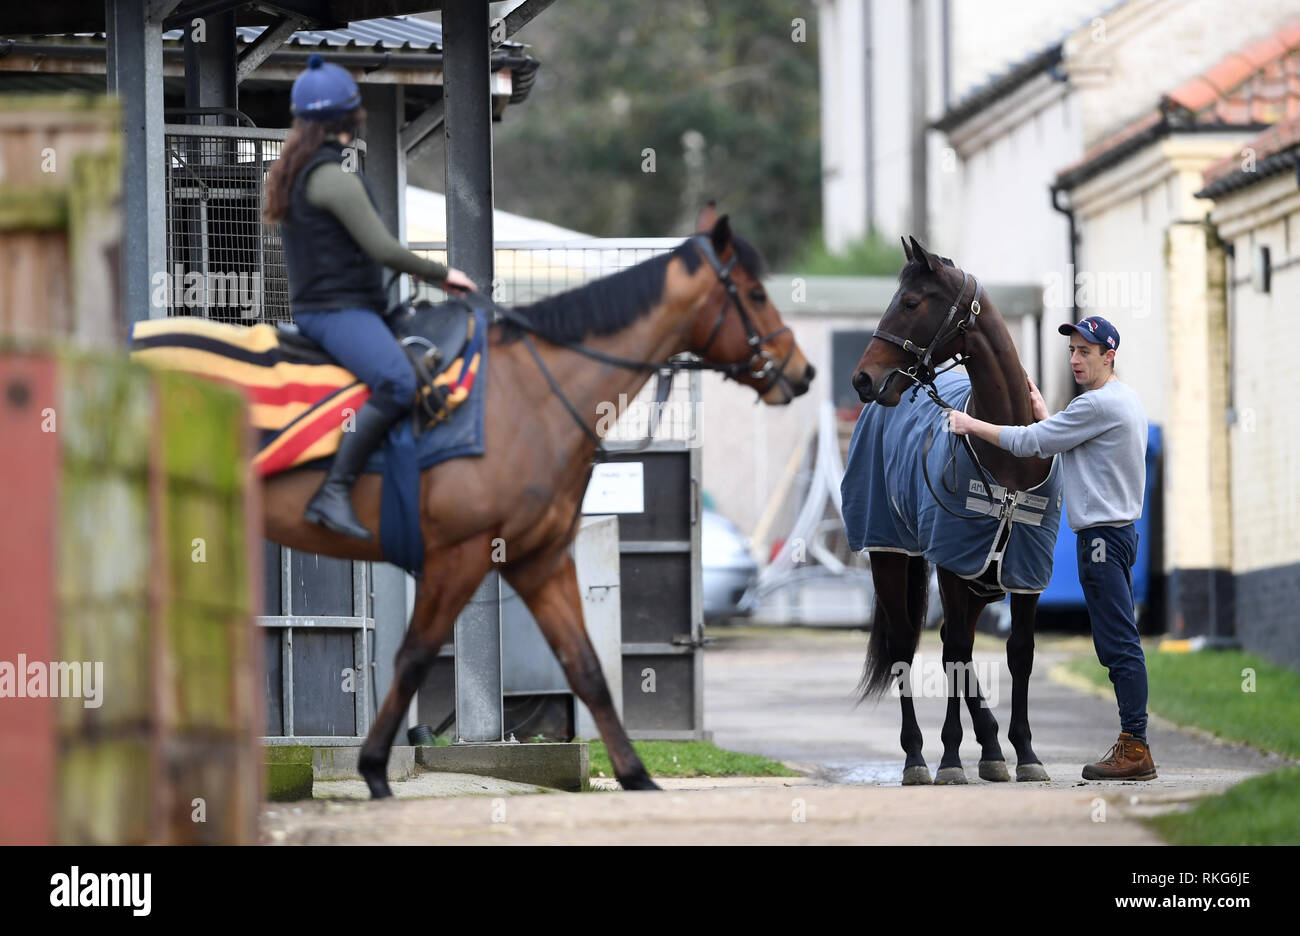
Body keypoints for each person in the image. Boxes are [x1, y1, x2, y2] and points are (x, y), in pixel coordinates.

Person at [263, 54, 476, 540]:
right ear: (350, 116)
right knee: (400, 383)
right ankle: (334, 491)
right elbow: (381, 248)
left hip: (344, 308)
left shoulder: (304, 169)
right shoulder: (332, 177)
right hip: (336, 314)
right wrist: (444, 275)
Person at [945, 315, 1155, 781]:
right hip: (1119, 536)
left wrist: (970, 424)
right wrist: (1047, 412)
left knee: (1118, 644)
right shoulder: (1124, 400)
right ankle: (1133, 742)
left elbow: (1030, 443)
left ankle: (1135, 746)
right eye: (1072, 351)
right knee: (1116, 641)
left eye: (1086, 352)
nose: (1076, 359)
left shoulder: (1097, 405)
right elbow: (1069, 439)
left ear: (1109, 356)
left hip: (1101, 540)